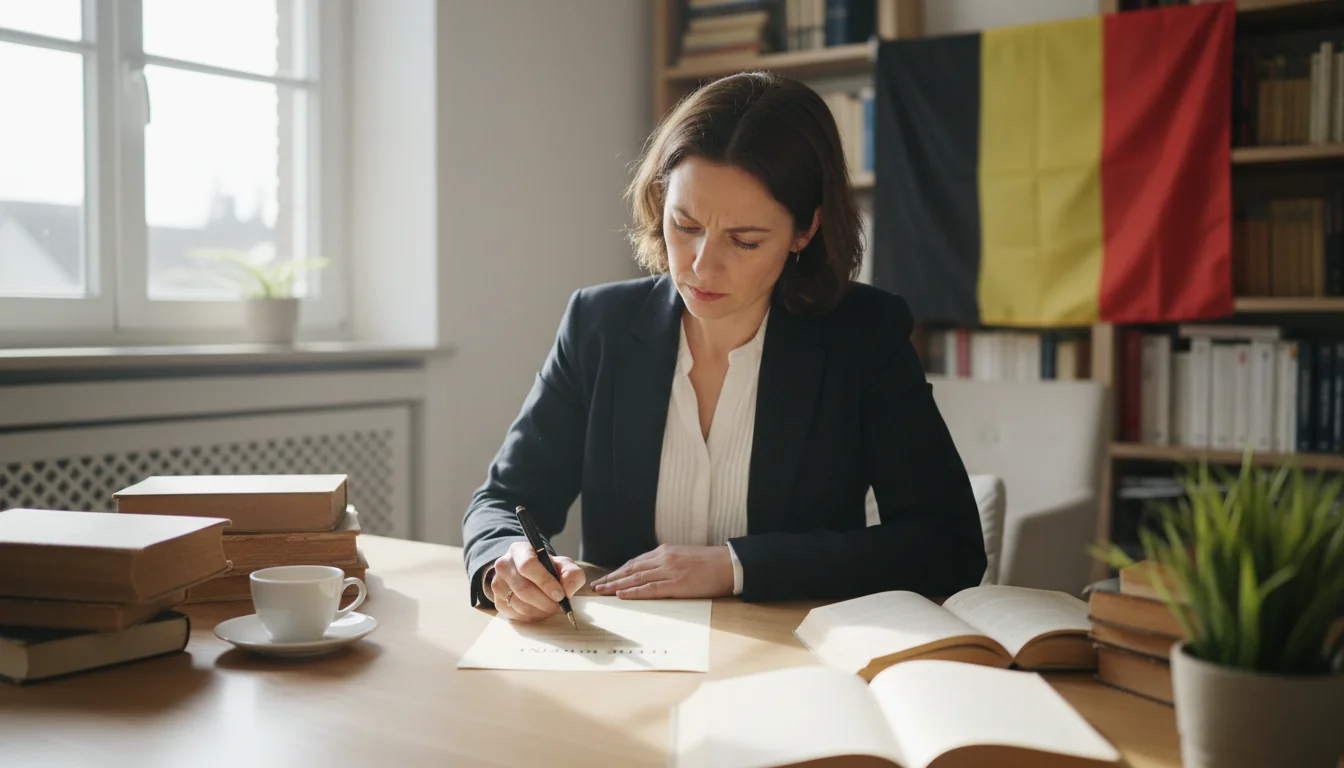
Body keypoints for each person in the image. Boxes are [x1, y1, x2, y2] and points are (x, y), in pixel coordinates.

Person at [462, 71, 986, 622]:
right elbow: (501, 502)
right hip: (630, 657)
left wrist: (736, 565)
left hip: (791, 659)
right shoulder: (599, 325)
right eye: (684, 225)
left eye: (745, 240)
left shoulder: (863, 335)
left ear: (805, 231)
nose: (701, 266)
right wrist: (509, 561)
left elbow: (947, 544)